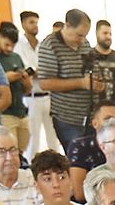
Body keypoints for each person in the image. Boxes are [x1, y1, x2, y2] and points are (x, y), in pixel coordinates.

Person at [36, 9, 97, 150]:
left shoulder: (84, 43)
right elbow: (45, 83)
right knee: (77, 158)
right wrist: (81, 83)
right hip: (67, 117)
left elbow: (90, 69)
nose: (82, 39)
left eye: (85, 36)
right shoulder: (50, 45)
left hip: (90, 114)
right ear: (67, 25)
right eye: (79, 35)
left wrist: (95, 82)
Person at [16, 10, 58, 158]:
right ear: (23, 24)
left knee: (53, 136)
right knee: (32, 138)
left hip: (48, 95)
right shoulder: (18, 46)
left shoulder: (42, 46)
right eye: (31, 22)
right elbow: (25, 72)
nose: (35, 26)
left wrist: (37, 71)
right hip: (31, 97)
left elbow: (50, 69)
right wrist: (36, 71)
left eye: (36, 22)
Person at [0, 23, 32, 154]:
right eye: (7, 44)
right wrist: (6, 77)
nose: (10, 49)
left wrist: (26, 81)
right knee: (8, 150)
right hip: (4, 113)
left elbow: (27, 89)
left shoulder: (16, 57)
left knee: (21, 151)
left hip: (21, 111)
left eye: (13, 46)